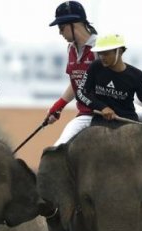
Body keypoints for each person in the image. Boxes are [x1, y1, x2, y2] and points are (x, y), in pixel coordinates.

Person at [73, 33, 142, 145]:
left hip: (128, 124)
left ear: (119, 52)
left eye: (106, 53)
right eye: (100, 53)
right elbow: (80, 93)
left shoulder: (137, 75)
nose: (102, 57)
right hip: (99, 123)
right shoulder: (95, 67)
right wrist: (102, 107)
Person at [45, 1, 99, 142]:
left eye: (62, 28)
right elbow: (76, 82)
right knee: (57, 150)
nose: (60, 33)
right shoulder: (70, 49)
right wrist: (59, 105)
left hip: (111, 111)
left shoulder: (99, 48)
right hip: (86, 115)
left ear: (74, 24)